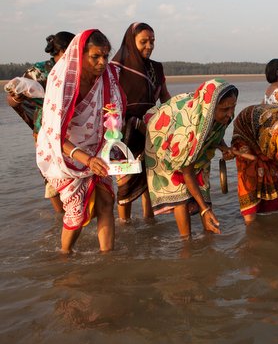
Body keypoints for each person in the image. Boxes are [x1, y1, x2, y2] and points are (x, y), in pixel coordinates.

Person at [36, 30, 124, 254]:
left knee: (106, 202)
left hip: (98, 150)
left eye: (105, 56)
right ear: (80, 55)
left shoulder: (107, 78)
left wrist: (110, 149)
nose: (102, 62)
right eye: (96, 56)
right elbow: (54, 134)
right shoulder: (64, 81)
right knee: (75, 212)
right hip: (65, 155)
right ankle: (65, 255)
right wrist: (86, 158)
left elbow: (112, 116)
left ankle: (108, 257)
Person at [144, 79, 238, 238]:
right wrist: (204, 209)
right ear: (210, 108)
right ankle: (186, 242)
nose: (230, 114)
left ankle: (209, 235)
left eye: (233, 107)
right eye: (225, 109)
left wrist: (224, 148)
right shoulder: (187, 133)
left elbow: (215, 131)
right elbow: (187, 173)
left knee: (203, 184)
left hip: (193, 142)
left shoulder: (221, 113)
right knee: (179, 193)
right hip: (165, 139)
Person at [6, 31, 75, 213]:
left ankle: (75, 215)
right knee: (51, 174)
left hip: (74, 129)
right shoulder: (39, 71)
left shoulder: (78, 70)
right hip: (45, 130)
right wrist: (17, 97)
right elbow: (12, 99)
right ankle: (62, 217)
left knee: (77, 172)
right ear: (60, 50)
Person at [110, 22, 171, 222]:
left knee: (149, 180)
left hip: (150, 131)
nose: (149, 46)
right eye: (143, 42)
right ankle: (124, 225)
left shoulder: (156, 68)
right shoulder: (116, 69)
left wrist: (174, 120)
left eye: (152, 41)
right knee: (125, 184)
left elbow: (165, 98)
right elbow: (109, 104)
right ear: (130, 42)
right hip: (124, 133)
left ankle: (149, 221)